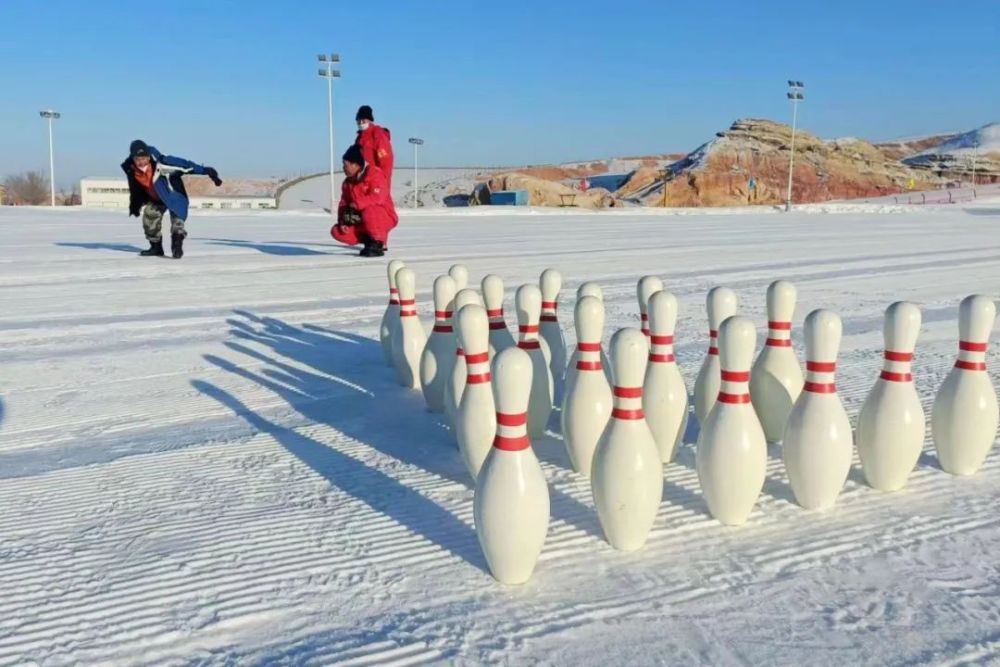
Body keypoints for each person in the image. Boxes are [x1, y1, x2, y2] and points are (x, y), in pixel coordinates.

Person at [121, 140, 222, 259]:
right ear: (133, 158)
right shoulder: (132, 169)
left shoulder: (162, 163)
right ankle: (156, 247)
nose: (141, 162)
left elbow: (185, 165)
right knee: (149, 216)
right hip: (156, 198)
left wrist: (206, 170)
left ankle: (177, 244)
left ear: (149, 156)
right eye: (137, 159)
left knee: (177, 222)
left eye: (144, 158)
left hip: (173, 195)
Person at [331, 144, 398, 257]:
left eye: (346, 165)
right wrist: (343, 221)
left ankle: (377, 244)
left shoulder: (375, 174)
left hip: (383, 216)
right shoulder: (347, 183)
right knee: (337, 231)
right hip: (361, 219)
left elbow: (378, 197)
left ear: (356, 165)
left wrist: (356, 204)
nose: (343, 168)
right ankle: (368, 240)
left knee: (370, 211)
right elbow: (343, 204)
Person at [354, 105, 394, 188]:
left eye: (363, 120)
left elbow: (385, 161)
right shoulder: (359, 138)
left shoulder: (377, 135)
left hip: (376, 182)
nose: (361, 123)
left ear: (369, 120)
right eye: (358, 120)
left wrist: (381, 182)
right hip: (362, 182)